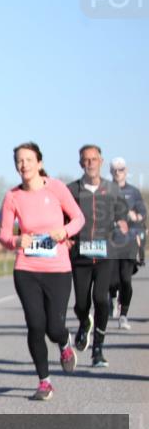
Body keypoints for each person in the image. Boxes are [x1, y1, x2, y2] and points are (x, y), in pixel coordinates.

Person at [0, 143, 85, 400]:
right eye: (19, 160)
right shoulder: (12, 196)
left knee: (53, 327)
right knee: (36, 325)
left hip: (58, 269)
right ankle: (44, 381)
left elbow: (78, 218)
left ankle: (65, 340)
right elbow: (3, 234)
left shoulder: (56, 187)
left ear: (39, 162)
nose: (24, 164)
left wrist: (65, 232)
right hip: (27, 269)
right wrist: (16, 241)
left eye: (28, 159)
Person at [67, 145, 129, 368]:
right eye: (86, 159)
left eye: (94, 159)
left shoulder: (112, 189)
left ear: (101, 161)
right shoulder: (71, 190)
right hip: (80, 256)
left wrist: (123, 223)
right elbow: (63, 219)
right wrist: (66, 237)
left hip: (105, 256)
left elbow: (122, 214)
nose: (90, 163)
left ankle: (98, 349)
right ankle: (85, 322)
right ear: (81, 163)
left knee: (101, 299)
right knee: (81, 304)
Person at [108, 157, 146, 331]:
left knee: (125, 279)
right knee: (111, 280)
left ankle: (123, 315)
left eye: (121, 169)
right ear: (110, 172)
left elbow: (142, 214)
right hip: (110, 241)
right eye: (115, 169)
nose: (118, 172)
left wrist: (135, 217)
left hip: (129, 241)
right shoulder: (105, 190)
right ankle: (112, 297)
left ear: (126, 170)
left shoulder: (134, 192)